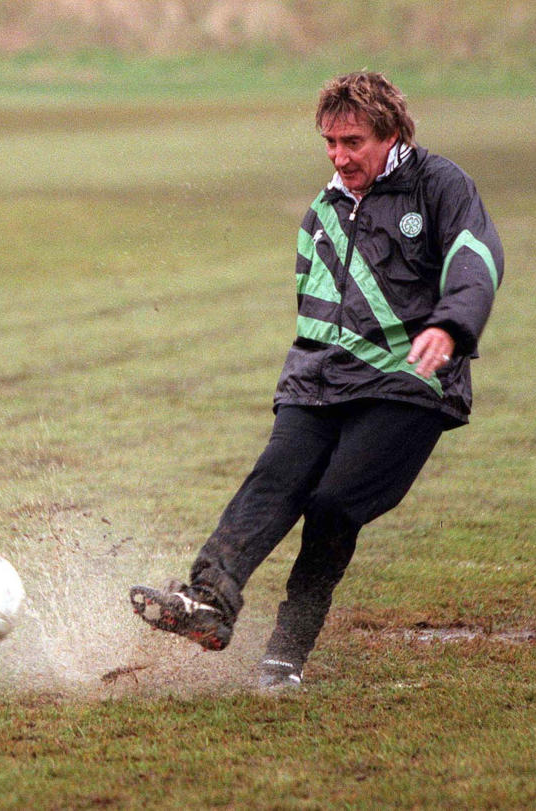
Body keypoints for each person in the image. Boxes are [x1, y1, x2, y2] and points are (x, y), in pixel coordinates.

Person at [129, 71, 503, 689]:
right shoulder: (322, 211)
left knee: (333, 504)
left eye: (353, 141)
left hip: (408, 382)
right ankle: (208, 600)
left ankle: (286, 650)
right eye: (330, 142)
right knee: (274, 480)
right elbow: (317, 314)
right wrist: (299, 383)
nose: (339, 156)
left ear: (390, 133)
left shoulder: (439, 186)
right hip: (321, 381)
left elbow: (477, 254)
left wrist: (453, 326)